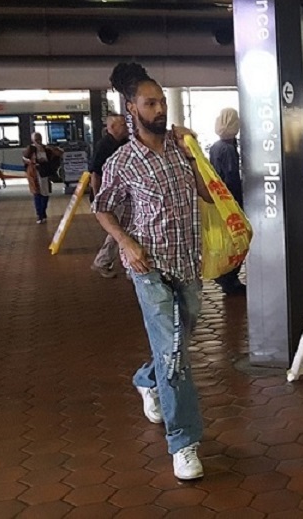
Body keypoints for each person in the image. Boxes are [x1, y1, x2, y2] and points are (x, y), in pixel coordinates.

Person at [92, 62, 213, 481]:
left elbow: (208, 195)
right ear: (132, 108)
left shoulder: (182, 149)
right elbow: (101, 208)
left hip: (188, 261)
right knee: (174, 354)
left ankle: (146, 378)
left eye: (162, 101)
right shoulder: (123, 161)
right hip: (148, 266)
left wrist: (197, 152)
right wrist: (127, 244)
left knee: (183, 335)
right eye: (150, 102)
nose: (159, 109)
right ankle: (184, 443)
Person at [209, 108, 245, 296]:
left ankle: (226, 274)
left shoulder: (215, 147)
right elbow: (232, 178)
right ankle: (230, 277)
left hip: (219, 200)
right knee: (237, 239)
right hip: (231, 201)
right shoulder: (229, 149)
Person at [90, 114, 129, 278]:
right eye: (122, 125)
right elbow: (95, 173)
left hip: (124, 193)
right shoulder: (104, 146)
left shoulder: (125, 143)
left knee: (125, 227)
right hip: (112, 196)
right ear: (111, 127)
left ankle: (122, 263)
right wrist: (98, 197)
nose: (126, 128)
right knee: (119, 229)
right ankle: (103, 261)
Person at [24, 132, 63, 224]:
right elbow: (24, 158)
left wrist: (53, 150)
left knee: (45, 193)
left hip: (45, 173)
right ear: (32, 140)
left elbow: (59, 153)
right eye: (36, 139)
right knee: (37, 193)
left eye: (39, 138)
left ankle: (43, 211)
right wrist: (33, 162)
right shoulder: (31, 149)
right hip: (35, 173)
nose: (38, 141)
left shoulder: (47, 149)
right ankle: (39, 214)